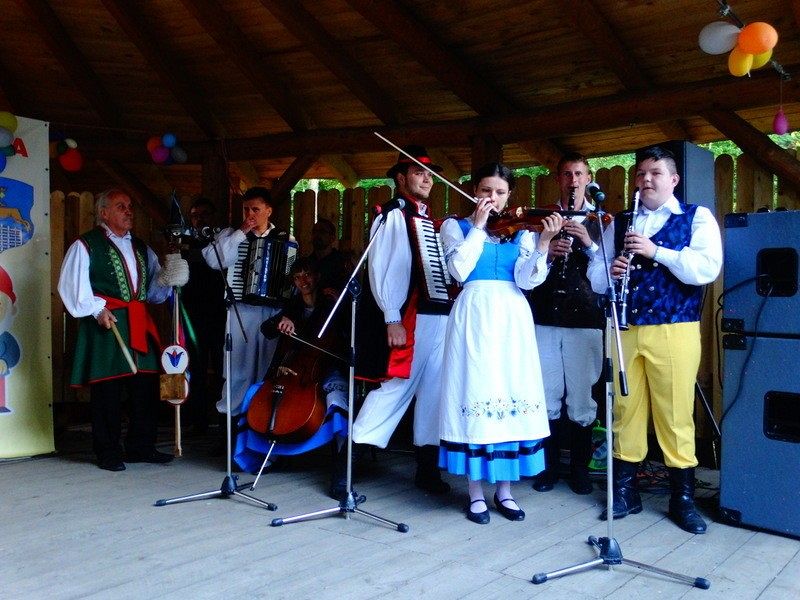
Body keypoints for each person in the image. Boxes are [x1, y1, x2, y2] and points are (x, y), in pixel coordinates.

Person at [587, 145, 722, 534]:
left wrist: (656, 251)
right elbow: (595, 274)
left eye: (655, 173)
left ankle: (682, 500)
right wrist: (610, 272)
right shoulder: (622, 220)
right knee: (624, 409)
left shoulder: (696, 217)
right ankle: (625, 492)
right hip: (623, 327)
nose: (646, 179)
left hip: (673, 327)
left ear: (673, 179)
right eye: (641, 173)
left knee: (675, 413)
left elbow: (706, 269)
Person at [438, 162, 563, 524]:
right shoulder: (455, 227)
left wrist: (542, 244)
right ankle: (475, 493)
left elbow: (527, 281)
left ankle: (505, 492)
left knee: (510, 392)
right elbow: (459, 271)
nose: (492, 198)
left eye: (500, 192)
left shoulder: (521, 233)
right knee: (476, 391)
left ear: (510, 196)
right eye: (486, 190)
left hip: (512, 317)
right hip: (474, 314)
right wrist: (478, 228)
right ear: (474, 192)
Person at [58, 189, 189, 471]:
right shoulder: (86, 244)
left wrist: (169, 276)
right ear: (103, 212)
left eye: (130, 206)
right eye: (121, 206)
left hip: (139, 322)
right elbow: (72, 285)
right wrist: (97, 309)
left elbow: (154, 292)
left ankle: (141, 446)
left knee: (146, 387)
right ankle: (108, 451)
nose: (128, 211)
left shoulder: (142, 247)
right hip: (108, 323)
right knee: (108, 390)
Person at [352, 145, 452, 495]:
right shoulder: (395, 214)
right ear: (400, 178)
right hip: (411, 317)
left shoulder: (428, 219)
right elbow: (385, 267)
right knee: (394, 387)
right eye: (419, 172)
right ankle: (347, 465)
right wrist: (391, 316)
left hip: (439, 316)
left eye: (430, 174)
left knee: (434, 392)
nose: (427, 179)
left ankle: (427, 470)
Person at [234, 257, 349, 498]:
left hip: (325, 369)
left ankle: (342, 463)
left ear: (317, 277)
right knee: (255, 394)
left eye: (307, 275)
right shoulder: (293, 305)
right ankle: (263, 456)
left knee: (337, 401)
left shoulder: (331, 302)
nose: (303, 281)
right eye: (297, 277)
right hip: (291, 371)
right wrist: (281, 320)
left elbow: (339, 331)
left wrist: (340, 302)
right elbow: (266, 330)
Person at [528, 152, 607, 495]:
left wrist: (587, 243)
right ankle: (548, 469)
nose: (573, 181)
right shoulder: (543, 219)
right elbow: (526, 267)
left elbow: (611, 268)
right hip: (545, 316)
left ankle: (579, 471)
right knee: (546, 394)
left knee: (582, 398)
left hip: (585, 318)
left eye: (578, 174)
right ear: (558, 179)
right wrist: (547, 251)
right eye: (567, 175)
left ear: (588, 178)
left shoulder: (602, 219)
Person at [201, 187, 294, 423]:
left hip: (272, 310)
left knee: (267, 367)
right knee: (238, 368)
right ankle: (230, 424)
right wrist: (240, 233)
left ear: (269, 211)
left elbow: (290, 279)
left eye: (255, 209)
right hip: (241, 309)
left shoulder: (286, 239)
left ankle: (260, 420)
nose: (250, 214)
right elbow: (214, 261)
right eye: (246, 209)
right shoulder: (231, 235)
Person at [180, 198, 225, 434]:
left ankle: (222, 421)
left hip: (219, 314)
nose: (200, 219)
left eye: (204, 214)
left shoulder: (221, 241)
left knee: (221, 369)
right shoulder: (184, 242)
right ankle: (197, 420)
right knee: (195, 369)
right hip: (192, 315)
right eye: (195, 215)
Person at [305, 218, 349, 299]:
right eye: (314, 231)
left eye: (322, 232)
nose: (317, 235)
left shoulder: (342, 263)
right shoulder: (307, 263)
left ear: (332, 238)